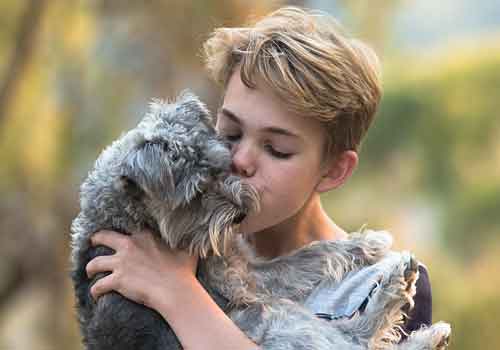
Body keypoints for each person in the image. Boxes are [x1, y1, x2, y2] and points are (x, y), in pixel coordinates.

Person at [85, 6, 431, 350]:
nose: (239, 160)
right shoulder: (163, 246)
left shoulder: (385, 286)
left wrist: (180, 295)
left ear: (334, 170)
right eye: (231, 132)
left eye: (276, 149)